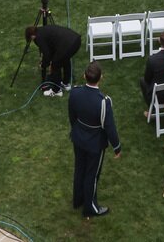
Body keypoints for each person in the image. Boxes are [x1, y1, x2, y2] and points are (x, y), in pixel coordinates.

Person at [68, 61, 120, 218]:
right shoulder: (103, 101)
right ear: (101, 78)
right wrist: (117, 147)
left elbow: (72, 115)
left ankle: (78, 200)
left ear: (84, 76)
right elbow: (109, 127)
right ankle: (90, 207)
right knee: (92, 174)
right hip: (95, 144)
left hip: (78, 138)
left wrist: (77, 130)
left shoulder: (75, 92)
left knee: (79, 169)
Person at [26, 23, 81, 94]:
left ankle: (57, 91)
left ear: (32, 36)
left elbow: (46, 54)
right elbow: (51, 48)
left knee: (55, 64)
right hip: (76, 40)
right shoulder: (43, 30)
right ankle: (66, 84)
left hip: (67, 44)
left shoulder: (39, 37)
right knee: (65, 59)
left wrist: (44, 64)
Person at [141, 30, 164, 108]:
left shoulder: (152, 59)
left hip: (159, 95)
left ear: (160, 41)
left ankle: (151, 108)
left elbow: (147, 79)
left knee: (142, 81)